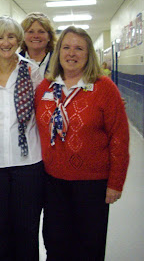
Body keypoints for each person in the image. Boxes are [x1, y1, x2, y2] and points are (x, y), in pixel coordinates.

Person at [35, 26, 130, 260]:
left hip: (93, 184)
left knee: (89, 246)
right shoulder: (45, 88)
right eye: (66, 47)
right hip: (53, 182)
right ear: (58, 52)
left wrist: (115, 182)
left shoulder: (104, 88)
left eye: (79, 48)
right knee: (55, 244)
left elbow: (119, 137)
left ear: (88, 54)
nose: (72, 53)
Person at [0, 16, 44, 260]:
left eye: (11, 36)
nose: (6, 42)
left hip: (28, 165)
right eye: (0, 37)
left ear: (19, 40)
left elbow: (46, 111)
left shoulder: (32, 72)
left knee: (27, 230)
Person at [20, 12, 57, 78]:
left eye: (41, 32)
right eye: (31, 32)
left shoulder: (59, 61)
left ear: (49, 37)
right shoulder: (14, 62)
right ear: (23, 36)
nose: (36, 36)